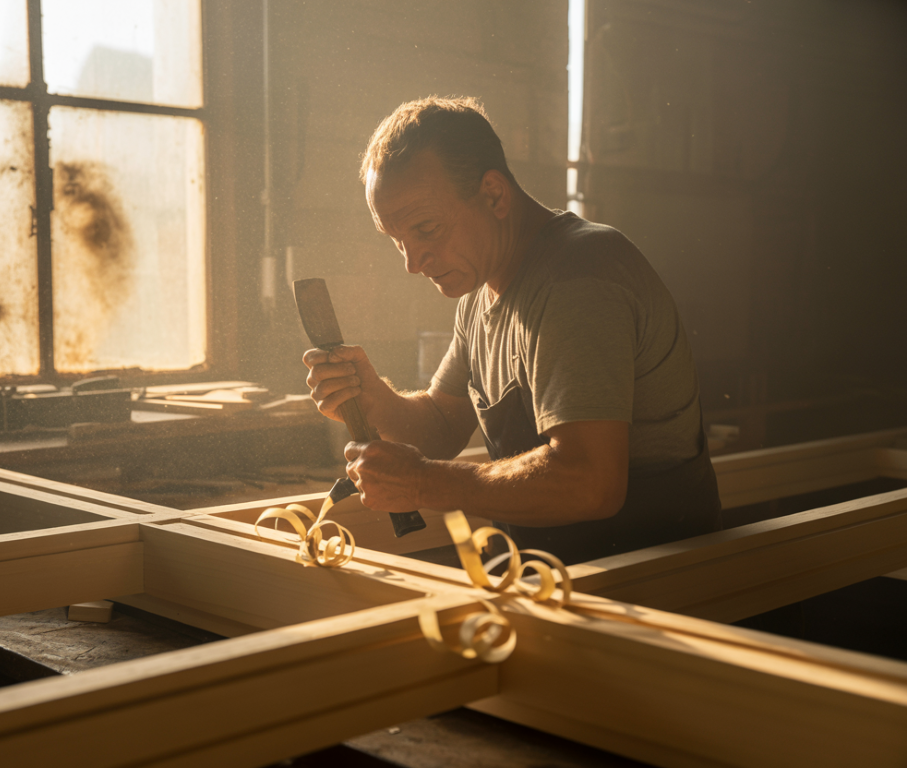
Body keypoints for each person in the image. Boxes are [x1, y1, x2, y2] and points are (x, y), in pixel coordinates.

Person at [302, 96, 721, 565]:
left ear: (495, 195)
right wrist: (374, 397)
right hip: (557, 576)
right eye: (398, 241)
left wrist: (423, 481)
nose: (412, 263)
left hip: (658, 586)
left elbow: (590, 484)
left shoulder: (580, 277)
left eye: (426, 229)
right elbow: (442, 426)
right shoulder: (481, 292)